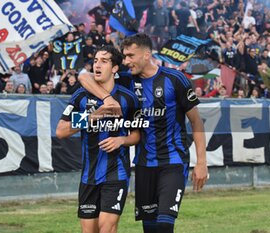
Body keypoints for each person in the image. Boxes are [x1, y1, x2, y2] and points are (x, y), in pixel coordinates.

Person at [79, 33, 208, 233]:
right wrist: (107, 98)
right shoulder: (125, 80)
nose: (126, 61)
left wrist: (201, 162)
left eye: (131, 56)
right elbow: (83, 76)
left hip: (172, 162)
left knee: (164, 224)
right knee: (150, 228)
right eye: (124, 56)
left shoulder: (175, 79)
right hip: (143, 164)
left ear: (146, 55)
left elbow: (196, 121)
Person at [56, 45, 141, 233]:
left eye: (104, 61)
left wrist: (121, 141)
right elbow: (61, 131)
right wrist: (94, 116)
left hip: (116, 172)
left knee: (107, 227)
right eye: (95, 60)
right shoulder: (81, 96)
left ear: (115, 68)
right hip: (89, 174)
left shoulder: (128, 99)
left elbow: (136, 134)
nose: (97, 65)